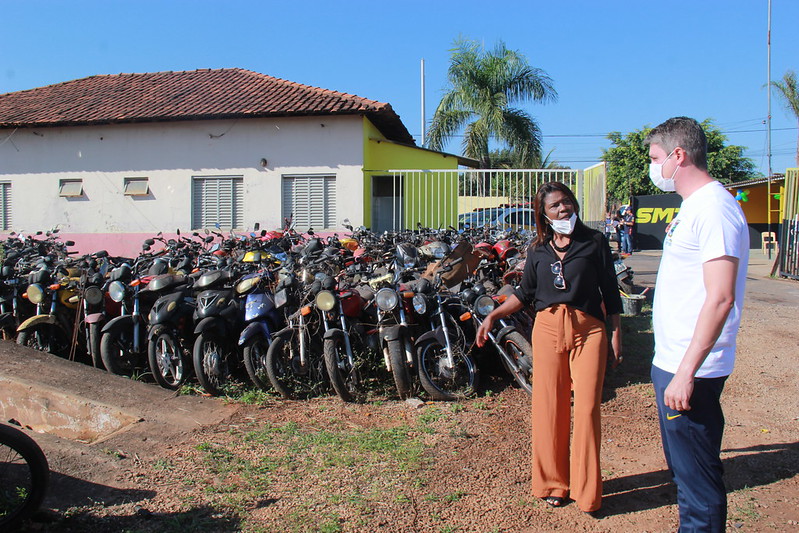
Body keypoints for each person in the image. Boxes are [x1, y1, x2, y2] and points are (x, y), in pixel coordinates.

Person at [476, 181, 623, 513]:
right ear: (543, 214)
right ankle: (553, 483)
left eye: (566, 201)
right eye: (554, 205)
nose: (563, 208)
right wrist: (493, 315)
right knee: (549, 408)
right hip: (547, 329)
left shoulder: (594, 241)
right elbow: (524, 293)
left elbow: (610, 290)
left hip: (588, 330)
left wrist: (616, 332)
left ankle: (586, 491)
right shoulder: (538, 250)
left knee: (586, 409)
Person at [645, 117, 749, 532]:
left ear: (679, 155)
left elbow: (721, 297)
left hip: (691, 370)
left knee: (698, 486)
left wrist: (686, 372)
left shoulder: (715, 208)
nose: (653, 167)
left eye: (656, 158)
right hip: (672, 361)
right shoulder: (694, 205)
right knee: (684, 473)